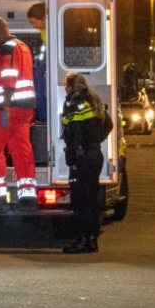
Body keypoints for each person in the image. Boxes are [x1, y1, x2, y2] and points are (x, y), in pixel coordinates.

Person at [0, 17, 37, 207]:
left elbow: (9, 78)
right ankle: (27, 193)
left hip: (10, 107)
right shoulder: (22, 46)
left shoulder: (6, 48)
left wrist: (4, 108)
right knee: (20, 148)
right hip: (26, 108)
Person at [60, 72, 113, 254]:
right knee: (91, 199)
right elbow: (109, 124)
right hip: (94, 156)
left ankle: (82, 241)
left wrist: (72, 159)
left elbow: (74, 135)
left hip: (82, 159)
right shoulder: (93, 100)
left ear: (69, 86)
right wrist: (96, 141)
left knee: (80, 201)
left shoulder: (74, 104)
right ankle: (91, 241)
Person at [26, 3, 48, 123]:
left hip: (47, 62)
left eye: (35, 22)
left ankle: (42, 117)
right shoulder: (44, 29)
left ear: (44, 19)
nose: (35, 26)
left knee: (40, 87)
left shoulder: (51, 29)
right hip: (45, 62)